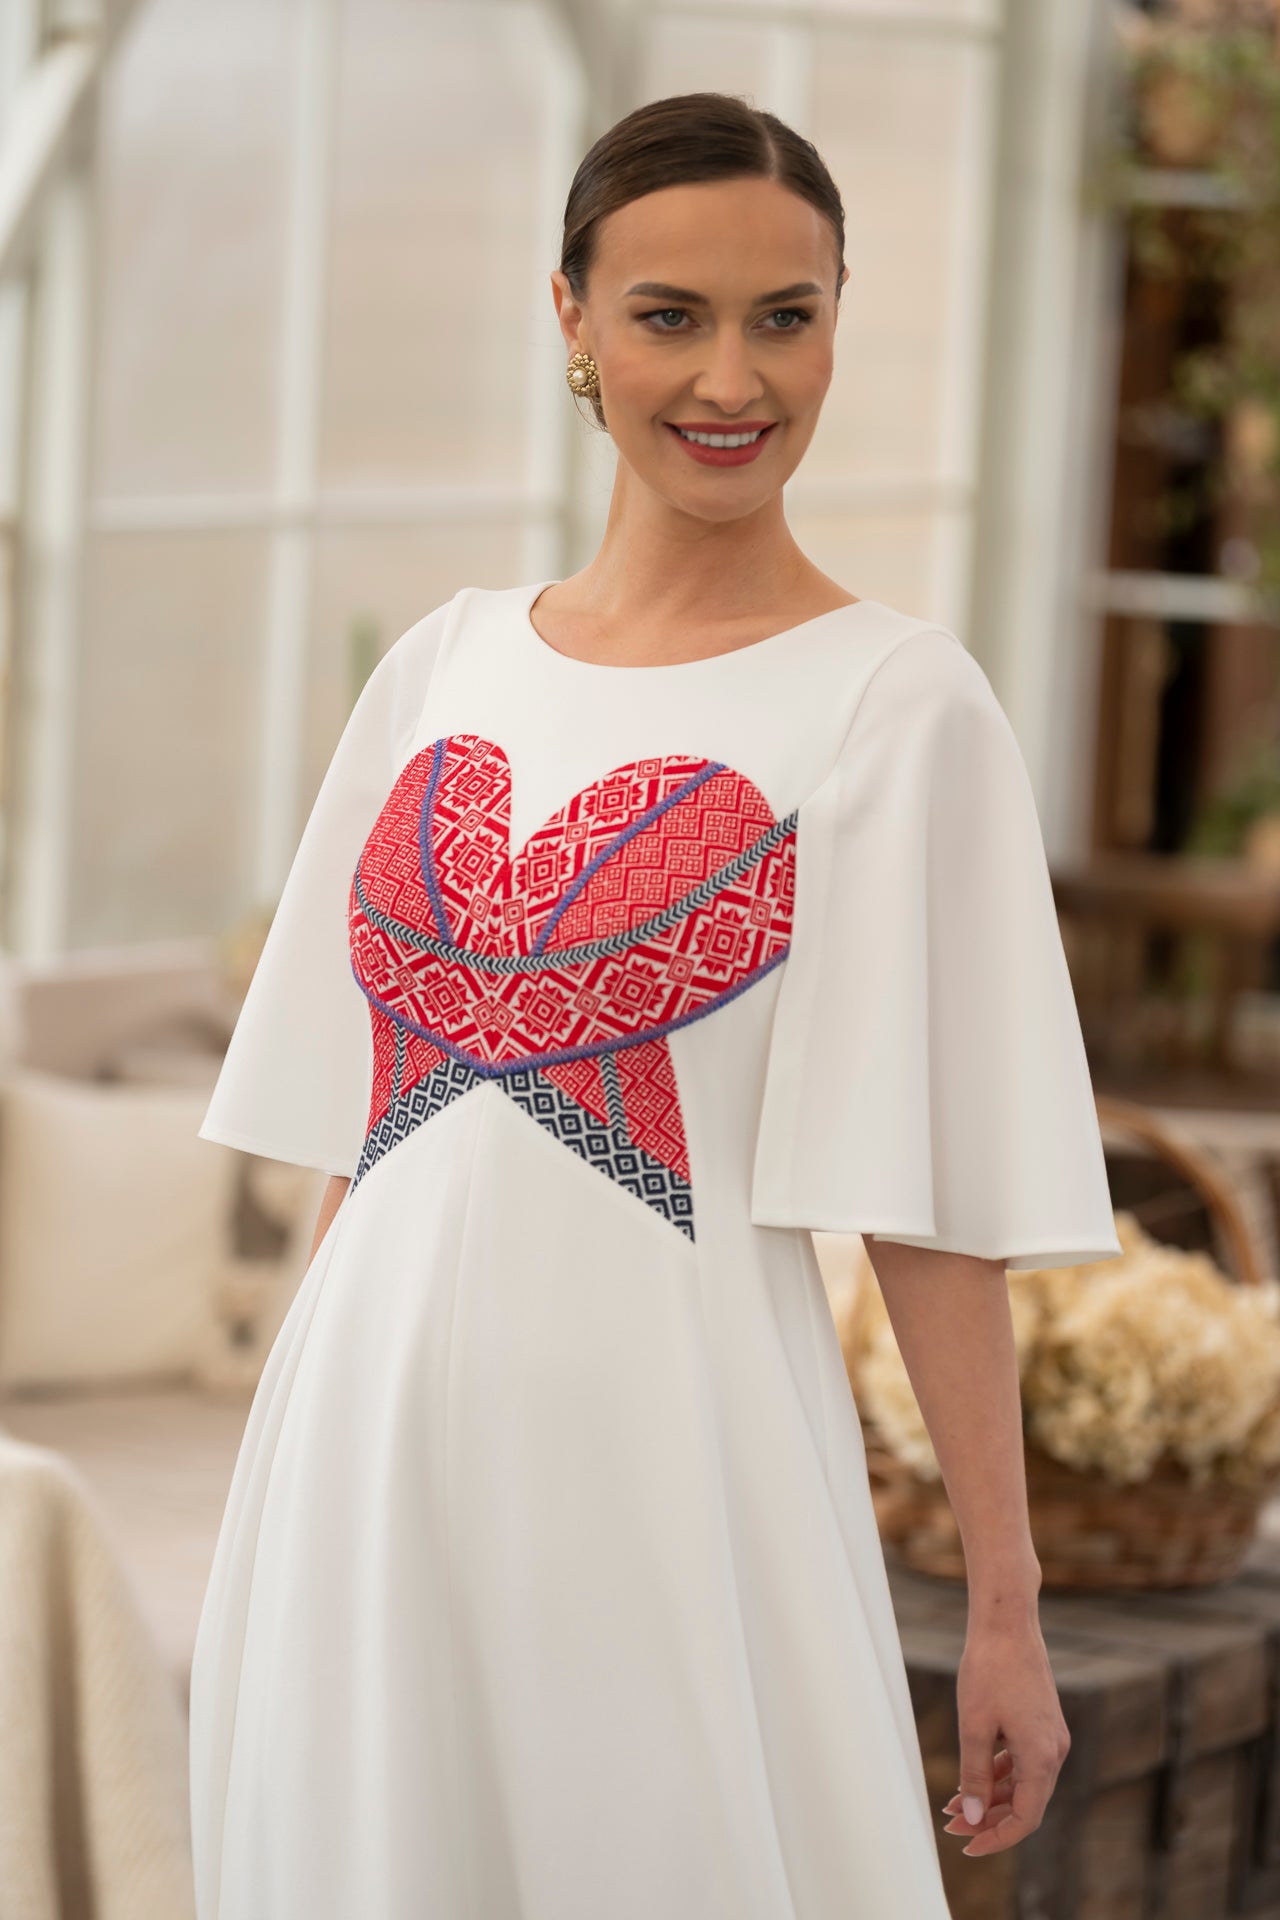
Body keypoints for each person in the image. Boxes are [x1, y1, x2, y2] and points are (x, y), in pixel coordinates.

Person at [189, 88, 1121, 1920]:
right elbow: (370, 1134)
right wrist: (289, 1475)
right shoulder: (440, 668)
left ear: (839, 322)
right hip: (360, 1463)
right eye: (668, 315)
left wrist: (1006, 1609)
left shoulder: (899, 704)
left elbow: (933, 1214)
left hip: (670, 1474)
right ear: (570, 316)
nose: (731, 379)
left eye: (787, 316)